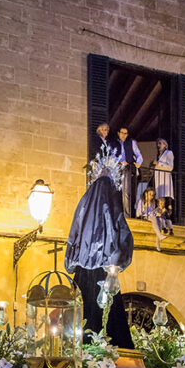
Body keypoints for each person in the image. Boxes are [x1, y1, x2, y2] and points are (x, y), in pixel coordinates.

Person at [65, 141, 134, 347]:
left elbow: (73, 235)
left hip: (82, 273)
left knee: (79, 318)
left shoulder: (84, 202)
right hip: (105, 273)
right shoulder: (111, 197)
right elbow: (121, 230)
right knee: (109, 321)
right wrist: (116, 262)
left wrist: (74, 261)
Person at [113, 127, 143, 219]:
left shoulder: (131, 143)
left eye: (126, 133)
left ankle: (126, 214)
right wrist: (119, 161)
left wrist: (139, 163)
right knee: (116, 191)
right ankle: (116, 213)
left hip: (127, 169)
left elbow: (139, 154)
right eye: (122, 133)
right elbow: (112, 154)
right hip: (117, 168)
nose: (124, 135)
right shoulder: (114, 143)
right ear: (118, 133)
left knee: (126, 192)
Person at [150, 138, 174, 202]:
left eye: (160, 143)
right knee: (159, 200)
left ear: (165, 145)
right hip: (158, 182)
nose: (158, 145)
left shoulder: (169, 153)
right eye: (157, 144)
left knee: (165, 199)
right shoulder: (157, 156)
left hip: (165, 181)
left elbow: (170, 167)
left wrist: (158, 164)